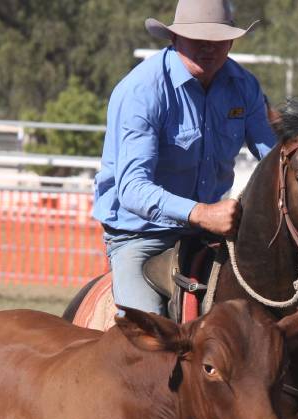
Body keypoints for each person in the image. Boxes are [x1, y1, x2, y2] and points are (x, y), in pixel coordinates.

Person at [93, 0, 275, 315]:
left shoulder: (245, 86)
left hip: (209, 233)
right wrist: (203, 213)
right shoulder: (143, 91)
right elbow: (133, 189)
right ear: (174, 39)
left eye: (217, 39)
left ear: (230, 41)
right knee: (151, 339)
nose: (208, 47)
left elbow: (274, 158)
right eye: (198, 38)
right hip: (140, 235)